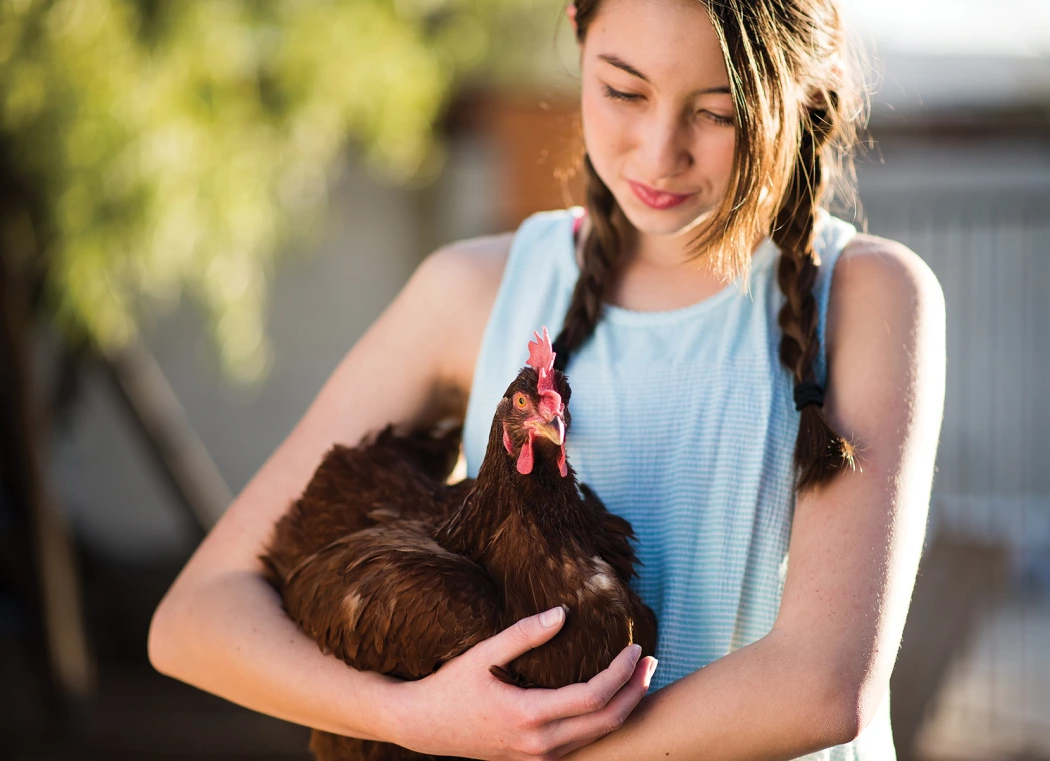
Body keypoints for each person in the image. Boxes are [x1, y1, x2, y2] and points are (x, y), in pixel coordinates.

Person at [148, 0, 946, 759]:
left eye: (718, 110)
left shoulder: (869, 296)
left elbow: (820, 687)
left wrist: (523, 748)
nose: (659, 149)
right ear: (576, 29)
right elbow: (195, 618)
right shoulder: (473, 290)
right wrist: (413, 719)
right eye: (622, 90)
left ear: (798, 86)